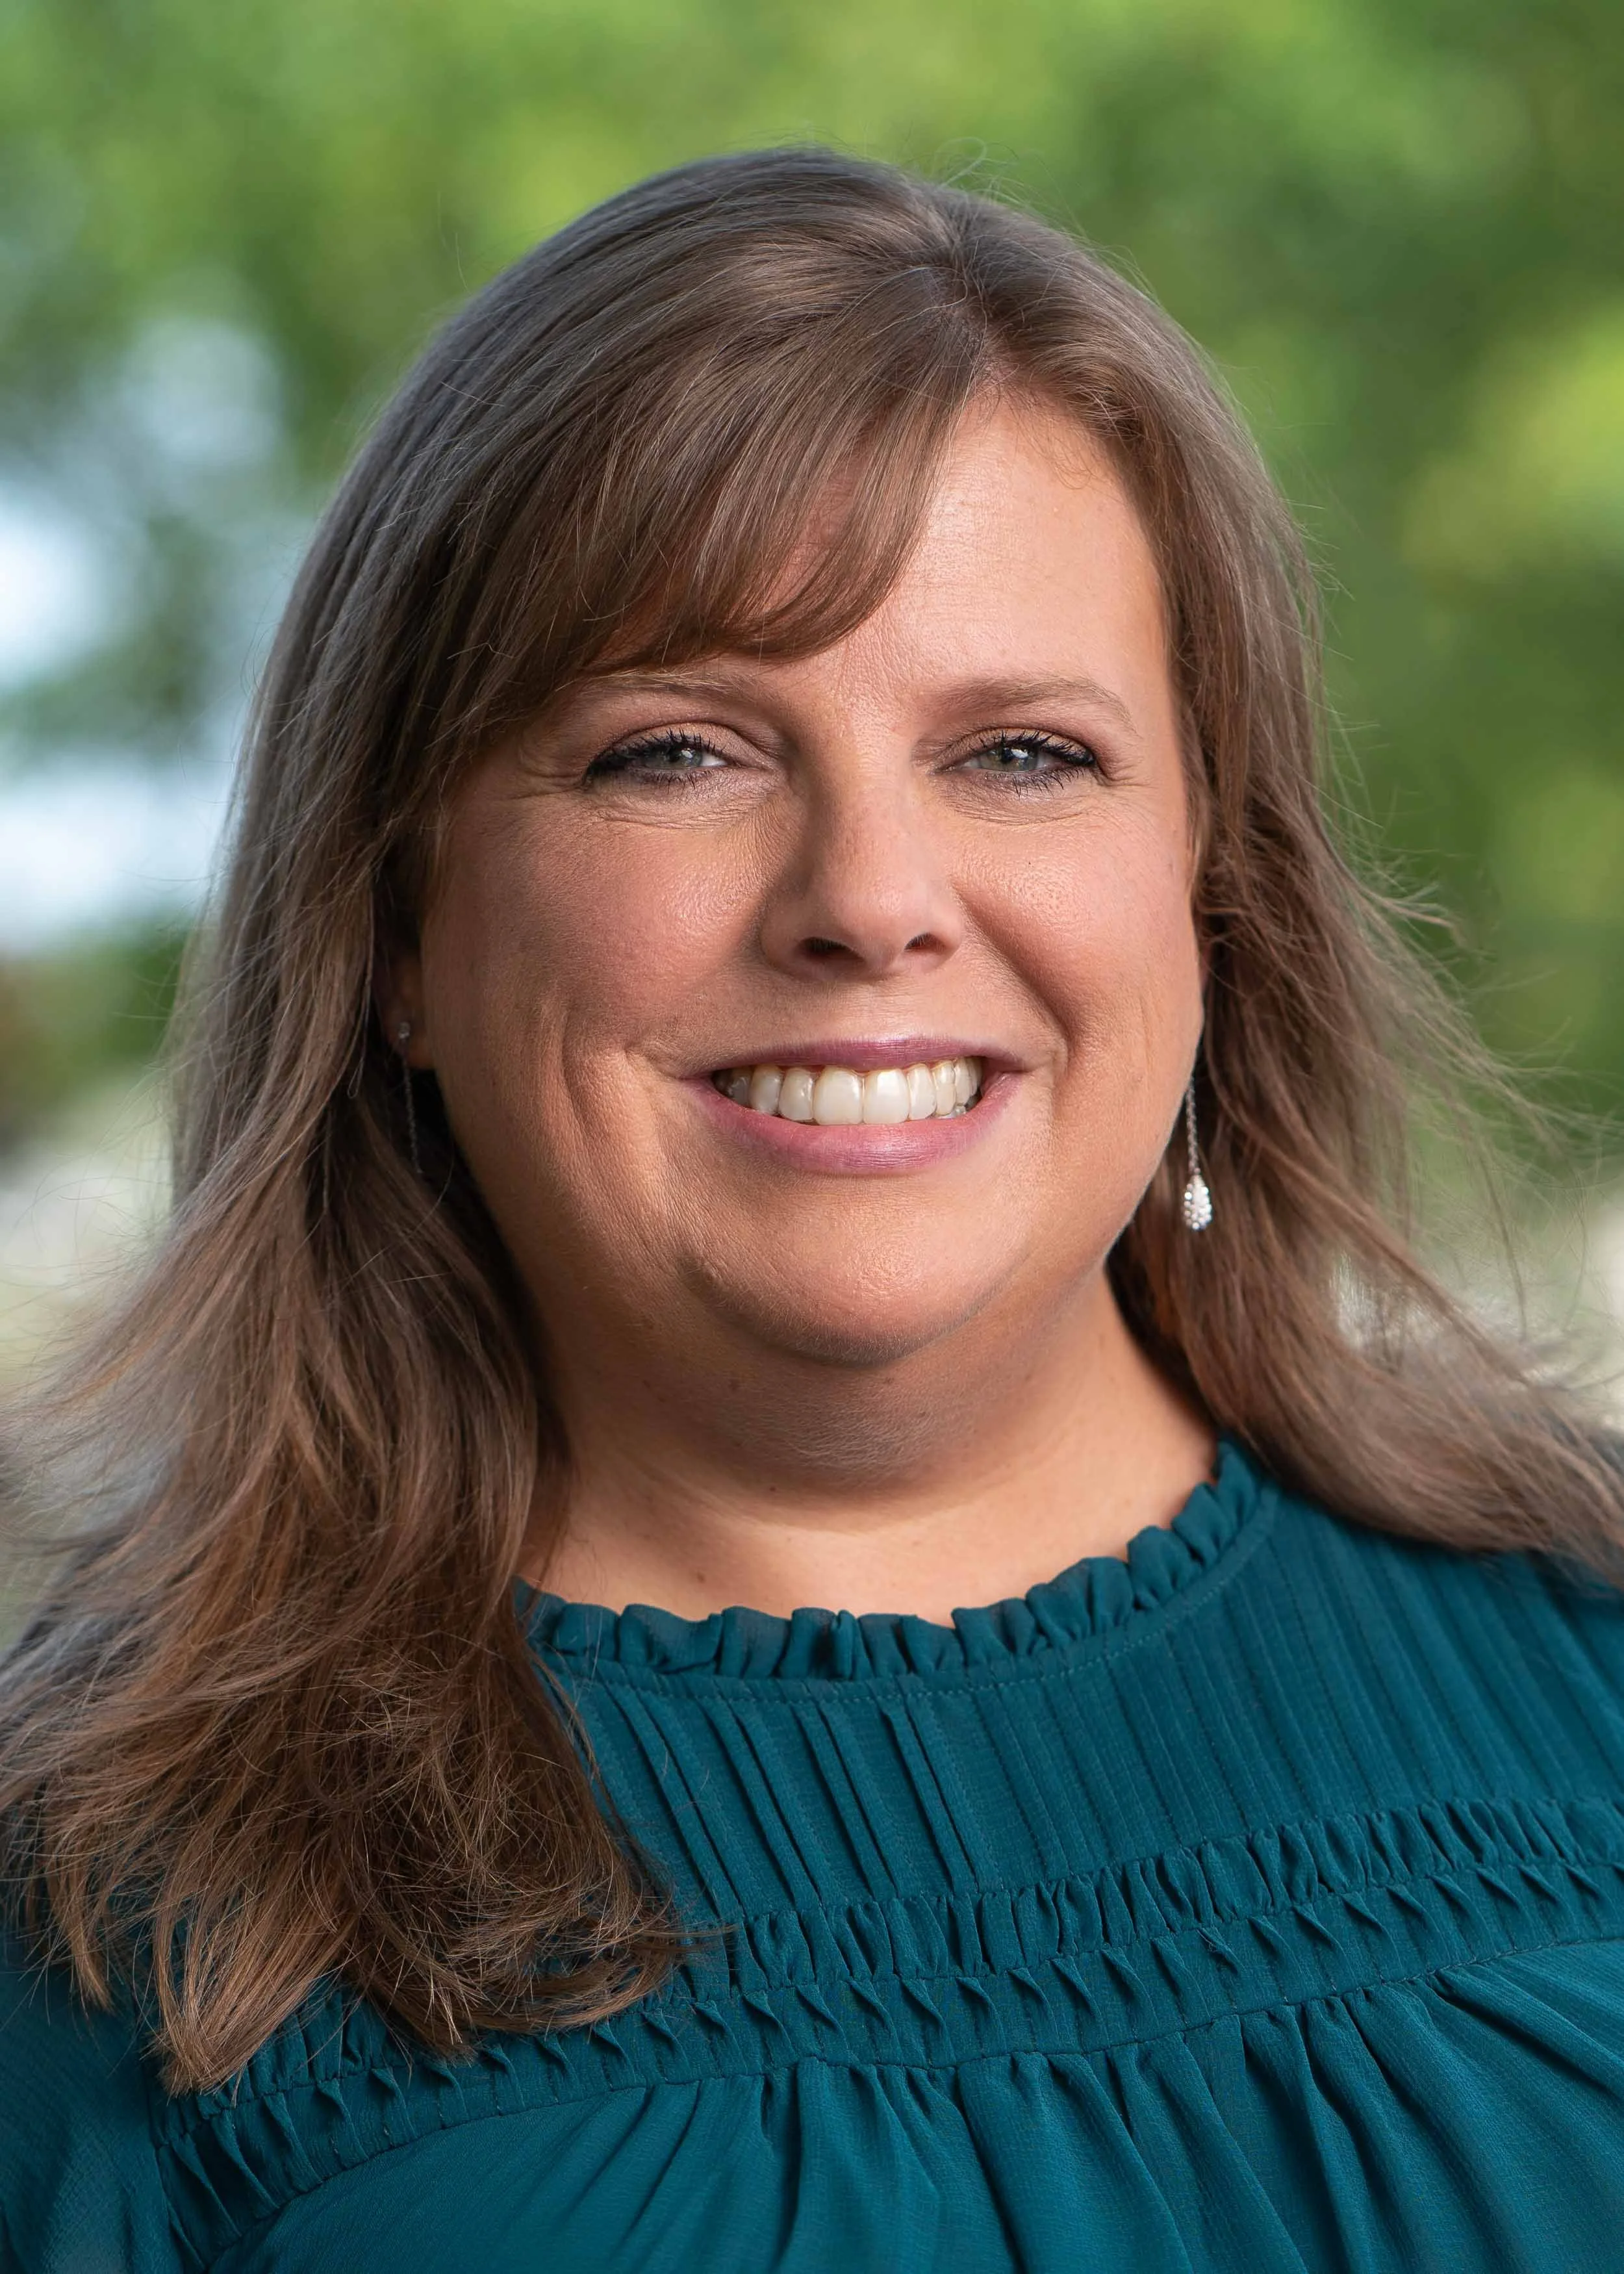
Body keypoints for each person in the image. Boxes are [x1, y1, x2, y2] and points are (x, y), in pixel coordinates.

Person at [3, 146, 1623, 2273]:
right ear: (393, 924)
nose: (868, 900)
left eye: (1023, 753)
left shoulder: (1588, 1659)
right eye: (676, 752)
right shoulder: (112, 1923)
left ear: (1208, 887)